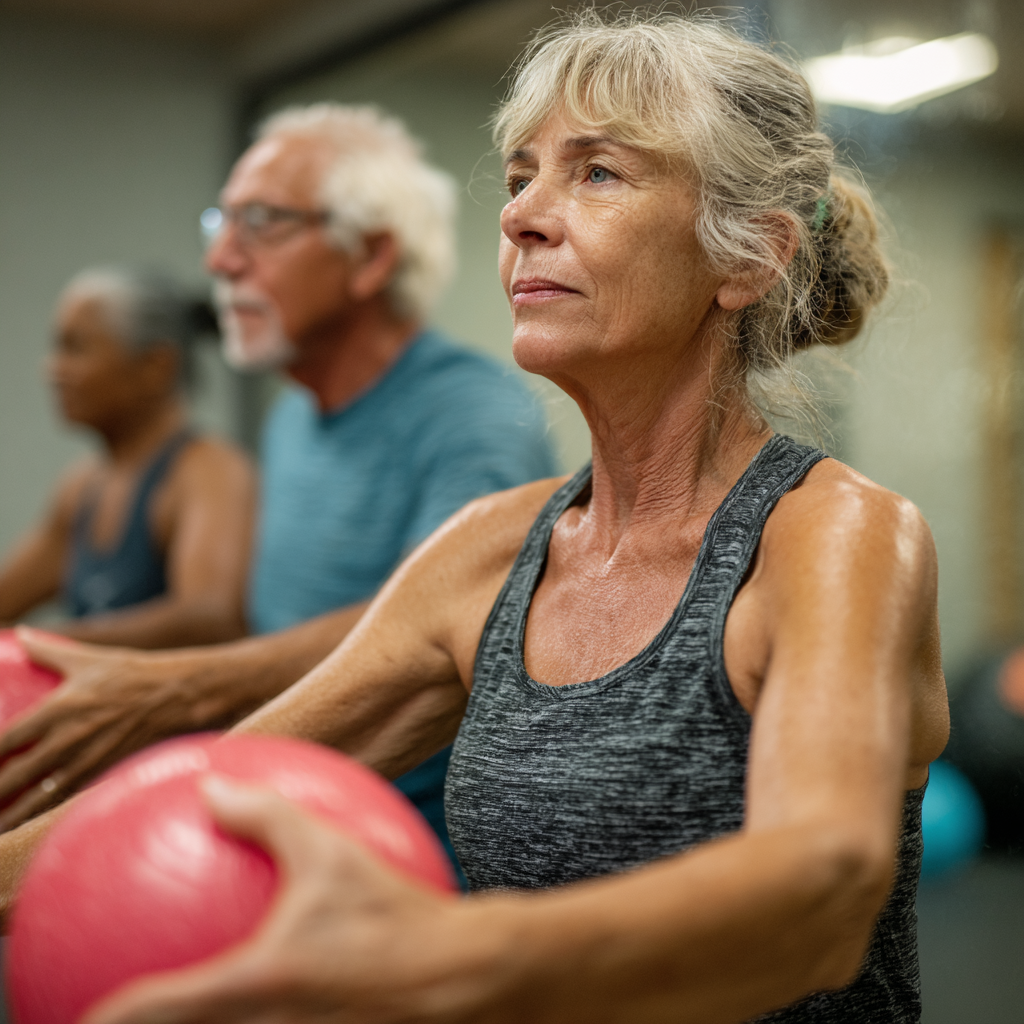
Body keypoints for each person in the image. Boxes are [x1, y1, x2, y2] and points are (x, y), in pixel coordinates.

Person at [2, 14, 947, 1021]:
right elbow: (217, 787)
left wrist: (442, 955)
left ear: (749, 258)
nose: (523, 216)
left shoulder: (830, 536)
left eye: (596, 175)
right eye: (518, 176)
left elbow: (825, 888)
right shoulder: (490, 553)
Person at [0, 105, 556, 860]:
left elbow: (438, 626)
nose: (221, 261)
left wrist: (171, 685)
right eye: (220, 224)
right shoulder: (294, 418)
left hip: (399, 859)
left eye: (260, 223)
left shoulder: (475, 416)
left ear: (369, 259)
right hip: (275, 822)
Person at [0, 268, 255, 649]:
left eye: (76, 348)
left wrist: (41, 646)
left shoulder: (208, 472)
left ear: (156, 367)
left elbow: (210, 617)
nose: (53, 369)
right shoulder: (82, 488)